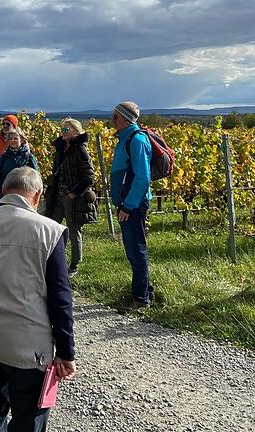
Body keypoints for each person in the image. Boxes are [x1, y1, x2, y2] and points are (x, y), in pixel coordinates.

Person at [0, 167, 76, 432]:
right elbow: (60, 298)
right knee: (29, 418)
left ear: (3, 191)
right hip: (28, 346)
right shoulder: (49, 232)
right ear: (37, 195)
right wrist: (66, 352)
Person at [110, 101, 153, 313]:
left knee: (136, 250)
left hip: (132, 204)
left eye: (115, 117)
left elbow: (143, 177)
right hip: (127, 203)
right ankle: (145, 291)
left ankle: (140, 299)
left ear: (127, 118)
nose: (112, 120)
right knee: (134, 249)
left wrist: (128, 206)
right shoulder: (127, 139)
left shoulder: (137, 140)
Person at [44, 118, 97, 277]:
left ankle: (74, 265)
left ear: (76, 131)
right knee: (53, 227)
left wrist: (74, 193)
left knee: (74, 230)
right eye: (63, 129)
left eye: (66, 129)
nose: (63, 132)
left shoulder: (80, 149)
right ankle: (53, 261)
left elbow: (89, 176)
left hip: (72, 197)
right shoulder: (61, 148)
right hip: (58, 195)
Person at [0, 129, 38, 204]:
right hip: (5, 196)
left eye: (15, 138)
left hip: (24, 197)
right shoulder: (4, 157)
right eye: (11, 139)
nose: (13, 140)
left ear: (21, 140)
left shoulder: (28, 157)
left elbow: (35, 178)